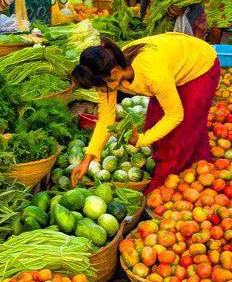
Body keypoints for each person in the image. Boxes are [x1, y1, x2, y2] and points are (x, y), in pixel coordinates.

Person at [70, 34, 221, 193]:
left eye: (99, 88)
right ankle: (202, 166)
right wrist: (88, 159)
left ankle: (160, 188)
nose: (99, 91)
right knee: (154, 126)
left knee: (180, 136)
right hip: (172, 67)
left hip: (200, 66)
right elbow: (106, 119)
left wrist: (142, 139)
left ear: (114, 73)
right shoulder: (107, 69)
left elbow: (175, 115)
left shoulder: (151, 72)